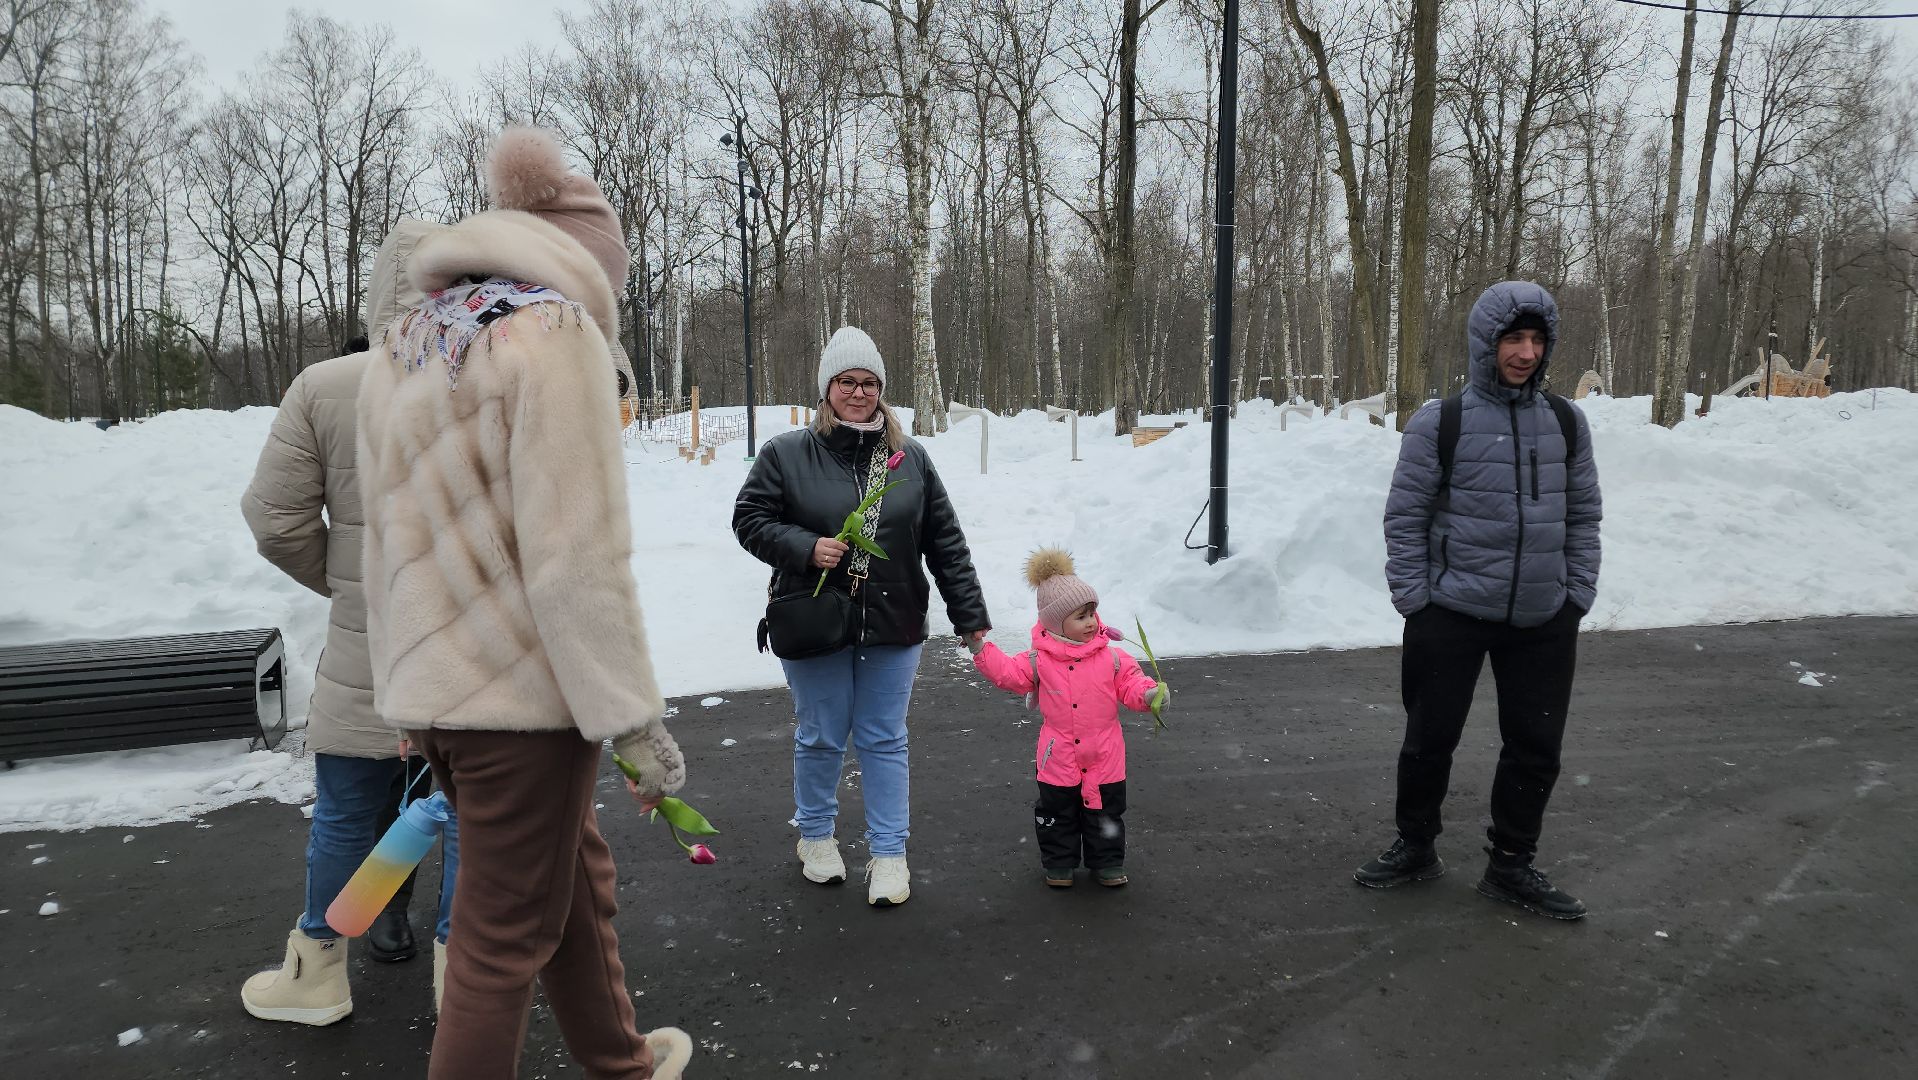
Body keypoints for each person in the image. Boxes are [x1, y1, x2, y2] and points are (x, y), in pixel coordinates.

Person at [356, 126, 691, 1078]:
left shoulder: (415, 341)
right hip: (525, 708)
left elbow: (384, 547)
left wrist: (407, 697)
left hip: (446, 696)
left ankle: (619, 1061)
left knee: (571, 884)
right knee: (500, 944)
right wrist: (633, 722)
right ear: (589, 262)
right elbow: (573, 557)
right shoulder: (554, 336)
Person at [239, 219, 459, 1026]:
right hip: (475, 653)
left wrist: (349, 582)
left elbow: (273, 518)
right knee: (466, 812)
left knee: (344, 810)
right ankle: (462, 988)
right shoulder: (495, 378)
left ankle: (319, 972)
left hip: (368, 656)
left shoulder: (324, 386)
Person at [1358, 280, 1602, 921]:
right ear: (1486, 344)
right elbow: (1404, 517)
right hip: (1453, 613)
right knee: (1428, 739)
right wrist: (1418, 603)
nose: (1526, 352)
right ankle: (1415, 845)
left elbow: (1584, 518)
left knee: (1535, 747)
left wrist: (1575, 595)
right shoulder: (1445, 421)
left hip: (1543, 617)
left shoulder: (1566, 423)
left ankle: (1512, 864)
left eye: (1536, 339)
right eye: (1512, 339)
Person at [732, 326, 990, 907]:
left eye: (870, 382)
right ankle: (817, 838)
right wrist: (805, 546)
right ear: (826, 389)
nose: (858, 392)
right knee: (822, 736)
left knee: (883, 737)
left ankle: (890, 852)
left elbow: (945, 542)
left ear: (882, 389)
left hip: (895, 622)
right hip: (816, 618)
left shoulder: (910, 459)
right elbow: (749, 519)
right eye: (847, 381)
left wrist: (970, 616)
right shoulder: (786, 453)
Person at [968, 549, 1167, 888]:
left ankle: (1107, 863)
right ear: (1057, 624)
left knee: (1106, 813)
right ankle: (1059, 864)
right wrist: (980, 649)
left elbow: (1132, 685)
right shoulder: (1040, 662)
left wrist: (1150, 695)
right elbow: (1008, 674)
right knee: (1056, 813)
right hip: (1058, 755)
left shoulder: (1113, 659)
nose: (1092, 622)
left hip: (1105, 755)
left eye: (1093, 613)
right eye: (1081, 616)